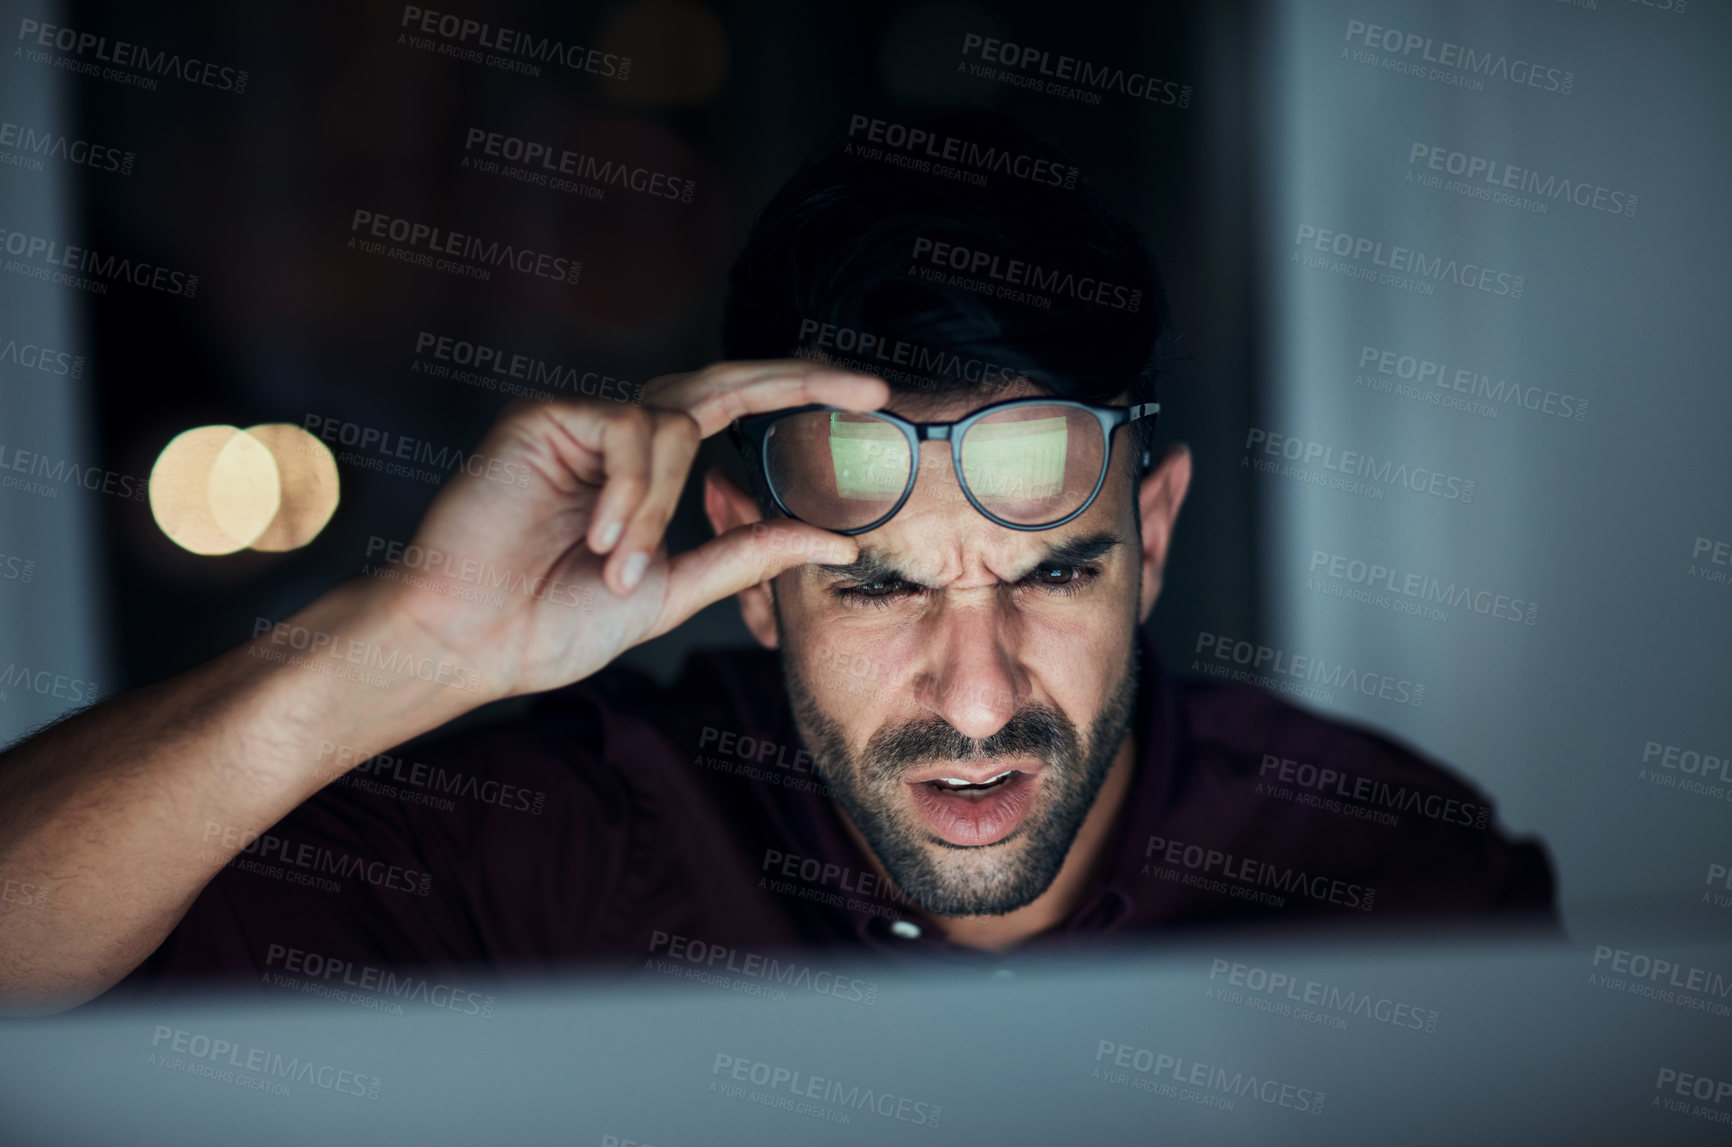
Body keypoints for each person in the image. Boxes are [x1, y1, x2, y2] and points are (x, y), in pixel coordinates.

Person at [0, 112, 1552, 1015]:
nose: (976, 693)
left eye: (1053, 575)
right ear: (748, 568)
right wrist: (418, 635)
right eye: (876, 586)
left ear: (1149, 539)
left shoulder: (1387, 877)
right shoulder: (568, 857)